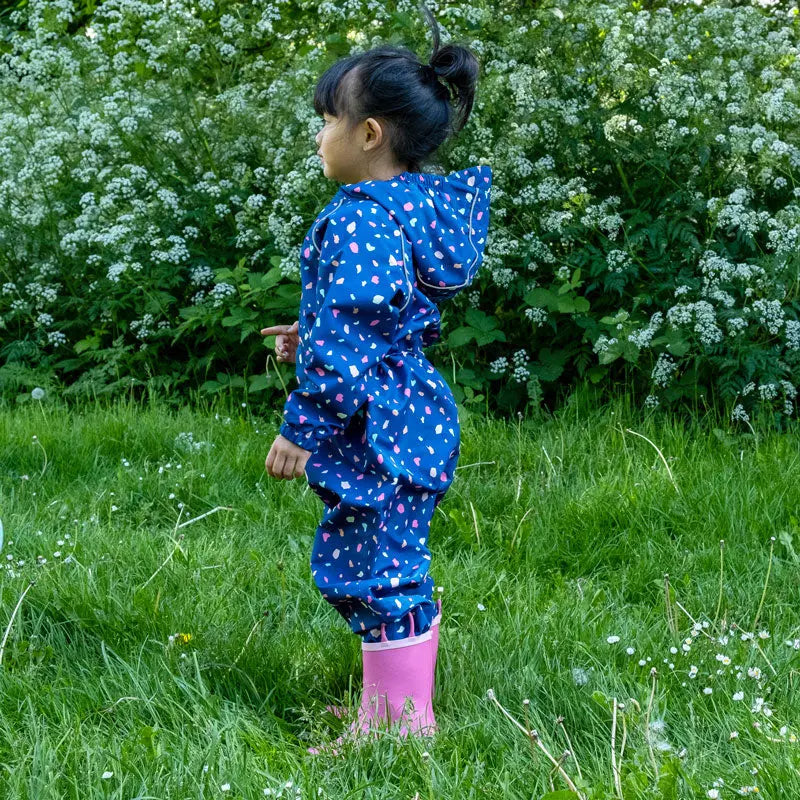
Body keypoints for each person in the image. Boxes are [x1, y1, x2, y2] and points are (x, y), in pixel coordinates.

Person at [260, 3, 492, 756]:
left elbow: (360, 323)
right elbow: (379, 314)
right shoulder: (411, 205)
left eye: (326, 119)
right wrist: (312, 334)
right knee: (377, 550)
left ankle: (398, 726)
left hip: (382, 425)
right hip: (404, 409)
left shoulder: (362, 213)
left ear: (369, 134)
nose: (317, 136)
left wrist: (304, 424)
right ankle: (385, 705)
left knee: (380, 562)